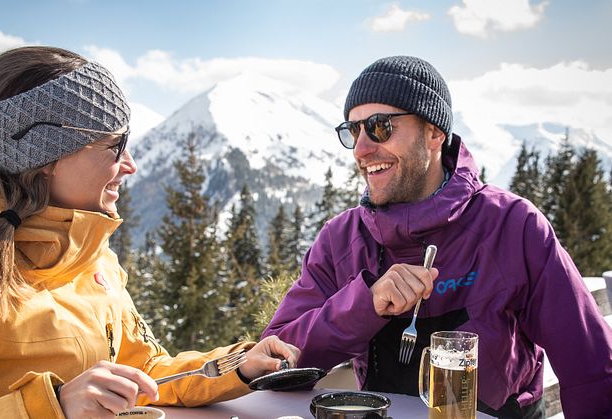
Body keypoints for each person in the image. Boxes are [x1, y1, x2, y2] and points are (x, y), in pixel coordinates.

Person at [0, 46, 299, 418]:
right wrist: (53, 406)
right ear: (47, 156)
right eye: (115, 146)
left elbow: (142, 371)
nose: (129, 165)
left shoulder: (90, 257)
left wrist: (237, 366)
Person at [262, 56, 612, 418]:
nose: (361, 149)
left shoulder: (512, 226)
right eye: (354, 131)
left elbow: (591, 365)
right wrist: (365, 304)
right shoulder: (341, 240)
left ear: (434, 133)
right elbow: (274, 359)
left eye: (380, 127)